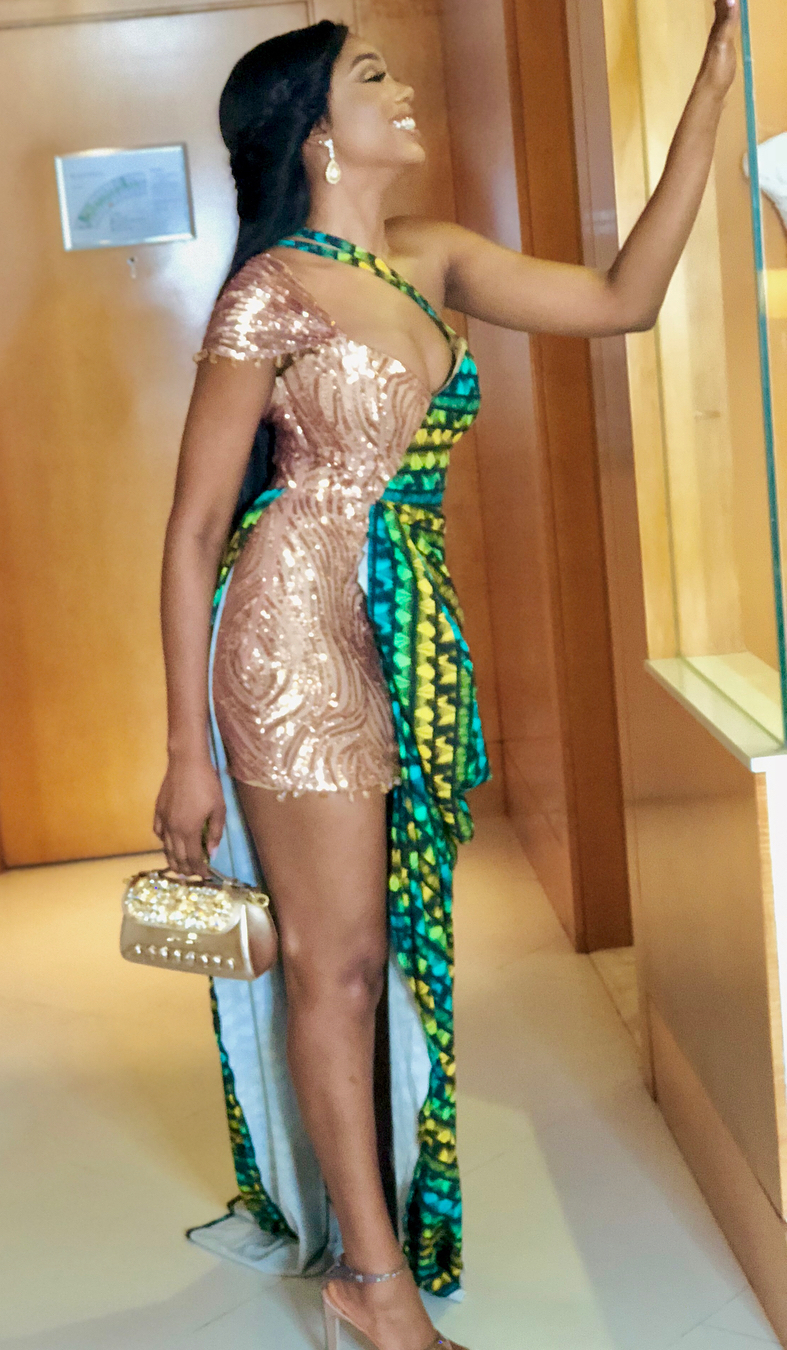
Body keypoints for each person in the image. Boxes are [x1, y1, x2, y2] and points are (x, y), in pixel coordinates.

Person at [154, 7, 738, 1349]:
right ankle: (374, 1285)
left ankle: (370, 1256)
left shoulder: (432, 256)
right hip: (292, 630)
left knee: (373, 956)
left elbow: (624, 300)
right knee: (340, 963)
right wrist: (187, 750)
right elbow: (193, 531)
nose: (403, 88)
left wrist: (711, 90)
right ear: (315, 132)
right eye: (373, 76)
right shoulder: (269, 292)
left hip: (403, 624)